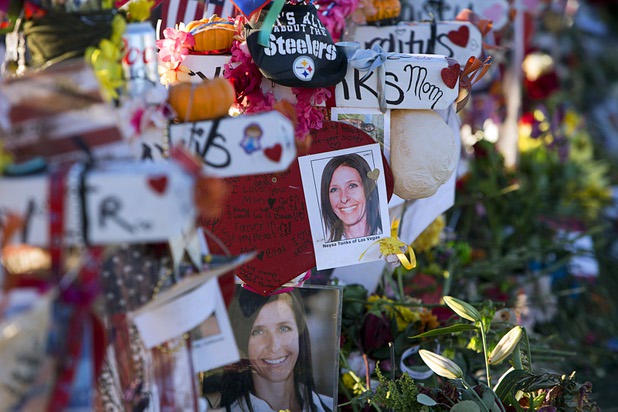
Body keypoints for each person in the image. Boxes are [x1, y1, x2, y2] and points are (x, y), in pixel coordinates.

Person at [203, 287, 333, 412]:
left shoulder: (334, 406)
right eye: (258, 332)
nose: (275, 347)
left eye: (283, 328)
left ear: (300, 334)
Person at [320, 153, 382, 242]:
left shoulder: (393, 236)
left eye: (352, 185)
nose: (344, 198)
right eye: (334, 190)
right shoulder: (322, 251)